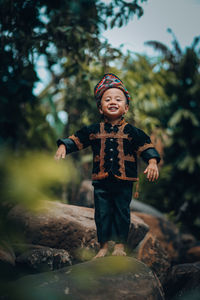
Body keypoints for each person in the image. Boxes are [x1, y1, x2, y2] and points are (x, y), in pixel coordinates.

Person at [55, 73, 160, 258]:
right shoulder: (94, 130)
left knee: (121, 212)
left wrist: (152, 161)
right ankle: (103, 247)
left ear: (126, 108)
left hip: (124, 181)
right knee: (102, 213)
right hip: (101, 181)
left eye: (118, 99)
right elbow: (78, 139)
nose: (113, 102)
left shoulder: (132, 132)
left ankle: (119, 246)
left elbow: (146, 146)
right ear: (101, 108)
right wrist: (64, 145)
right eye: (108, 99)